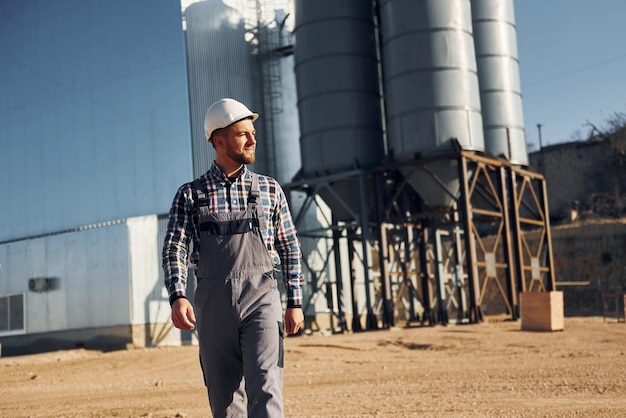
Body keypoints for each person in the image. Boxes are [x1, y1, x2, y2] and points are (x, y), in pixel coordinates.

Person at [162, 98, 305, 417]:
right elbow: (175, 247)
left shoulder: (269, 190)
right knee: (224, 398)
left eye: (252, 133)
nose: (253, 140)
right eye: (243, 134)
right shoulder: (190, 195)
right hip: (213, 305)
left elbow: (289, 245)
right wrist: (178, 295)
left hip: (262, 299)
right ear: (219, 140)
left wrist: (294, 300)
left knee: (266, 385)